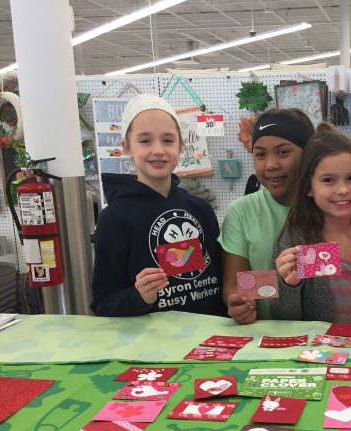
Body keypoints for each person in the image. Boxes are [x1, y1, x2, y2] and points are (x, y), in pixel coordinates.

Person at [90, 94, 224, 317]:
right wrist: (138, 296)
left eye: (168, 140)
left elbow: (219, 281)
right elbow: (103, 303)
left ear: (180, 146)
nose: (158, 150)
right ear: (126, 147)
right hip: (153, 347)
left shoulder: (201, 210)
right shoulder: (114, 218)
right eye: (145, 141)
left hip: (207, 341)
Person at [218, 108, 315, 324]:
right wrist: (239, 303)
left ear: (308, 154)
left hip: (325, 339)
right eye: (260, 154)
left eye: (283, 152)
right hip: (263, 338)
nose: (270, 165)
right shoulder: (240, 212)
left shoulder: (331, 207)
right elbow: (234, 286)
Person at [271, 124, 351, 322]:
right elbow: (282, 319)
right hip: (322, 351)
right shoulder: (293, 241)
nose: (343, 190)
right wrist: (289, 285)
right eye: (328, 180)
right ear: (309, 187)